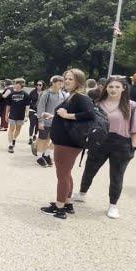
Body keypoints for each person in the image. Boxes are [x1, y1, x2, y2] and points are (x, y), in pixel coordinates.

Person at [73, 77, 136, 219]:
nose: (113, 89)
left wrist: (133, 149)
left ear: (124, 88)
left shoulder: (133, 106)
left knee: (117, 175)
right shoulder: (98, 104)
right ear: (105, 88)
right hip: (100, 141)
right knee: (90, 168)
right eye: (110, 86)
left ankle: (113, 205)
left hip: (121, 143)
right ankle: (82, 192)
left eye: (117, 87)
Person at [40, 68, 95, 219]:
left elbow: (90, 114)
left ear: (79, 81)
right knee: (66, 174)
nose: (67, 81)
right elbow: (67, 116)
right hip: (66, 142)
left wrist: (67, 115)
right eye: (66, 78)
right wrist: (53, 116)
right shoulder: (72, 96)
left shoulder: (80, 97)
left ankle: (59, 208)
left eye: (71, 79)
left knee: (62, 175)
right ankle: (67, 202)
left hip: (68, 144)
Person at [33, 75, 67, 167]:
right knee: (43, 139)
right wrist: (40, 121)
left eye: (62, 83)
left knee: (56, 140)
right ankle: (39, 157)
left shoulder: (63, 94)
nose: (61, 85)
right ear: (53, 83)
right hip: (45, 121)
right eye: (59, 83)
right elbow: (41, 107)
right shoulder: (46, 94)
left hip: (57, 121)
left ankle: (47, 154)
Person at [6, 78, 30, 153]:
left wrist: (27, 115)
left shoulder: (25, 95)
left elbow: (27, 106)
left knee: (18, 129)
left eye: (17, 83)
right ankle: (10, 145)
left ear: (21, 85)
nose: (15, 85)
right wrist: (6, 115)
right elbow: (8, 106)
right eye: (15, 83)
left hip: (21, 115)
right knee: (11, 129)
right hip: (12, 114)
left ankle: (14, 139)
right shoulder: (11, 94)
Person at [28, 80, 45, 145]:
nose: (38, 86)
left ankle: (35, 135)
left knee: (38, 124)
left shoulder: (45, 93)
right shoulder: (33, 92)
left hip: (41, 111)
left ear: (43, 86)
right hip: (32, 110)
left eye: (40, 85)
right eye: (37, 84)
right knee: (32, 124)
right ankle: (30, 138)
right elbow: (28, 100)